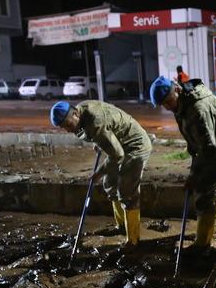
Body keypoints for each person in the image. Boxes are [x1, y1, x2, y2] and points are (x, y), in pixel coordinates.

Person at [50, 100, 152, 248]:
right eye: (63, 128)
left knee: (127, 191)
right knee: (110, 183)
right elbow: (102, 131)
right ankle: (122, 226)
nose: (67, 130)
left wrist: (99, 172)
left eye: (68, 125)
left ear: (75, 113)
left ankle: (133, 239)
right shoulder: (81, 112)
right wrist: (99, 142)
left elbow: (117, 155)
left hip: (135, 145)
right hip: (119, 143)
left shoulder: (95, 122)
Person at [149, 76, 216, 253]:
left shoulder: (197, 109)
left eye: (168, 101)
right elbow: (196, 143)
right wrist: (194, 169)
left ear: (177, 90)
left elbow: (208, 148)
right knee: (209, 188)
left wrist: (195, 176)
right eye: (163, 104)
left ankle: (203, 245)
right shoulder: (183, 104)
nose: (168, 107)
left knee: (203, 193)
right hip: (213, 148)